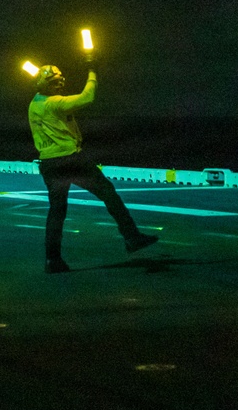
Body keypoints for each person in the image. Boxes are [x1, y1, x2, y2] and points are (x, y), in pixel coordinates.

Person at [28, 61, 158, 274]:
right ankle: (131, 237)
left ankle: (52, 260)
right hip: (71, 160)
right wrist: (92, 72)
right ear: (48, 85)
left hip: (49, 163)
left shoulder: (35, 103)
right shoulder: (55, 103)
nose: (60, 84)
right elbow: (87, 97)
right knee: (108, 193)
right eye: (56, 82)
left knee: (57, 211)